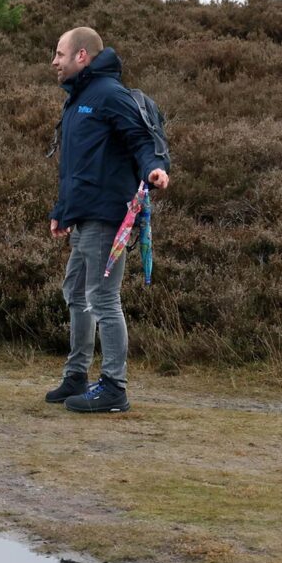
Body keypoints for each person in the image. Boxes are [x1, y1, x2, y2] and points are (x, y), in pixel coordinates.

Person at [45, 27, 171, 413]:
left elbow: (142, 141)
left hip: (106, 215)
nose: (55, 61)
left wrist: (154, 169)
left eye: (60, 53)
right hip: (83, 215)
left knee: (102, 298)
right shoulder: (79, 98)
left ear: (82, 56)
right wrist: (62, 212)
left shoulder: (110, 96)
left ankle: (114, 386)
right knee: (75, 293)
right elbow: (77, 166)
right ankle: (77, 375)